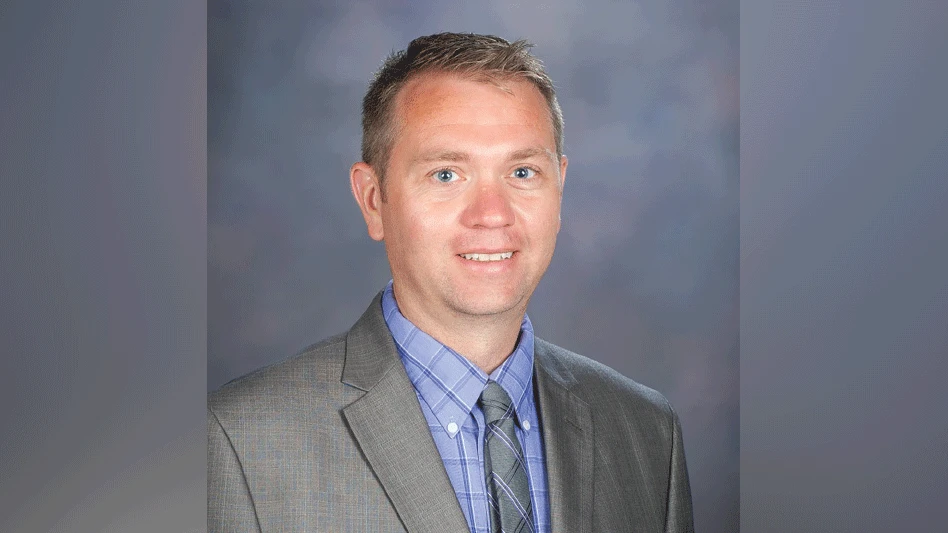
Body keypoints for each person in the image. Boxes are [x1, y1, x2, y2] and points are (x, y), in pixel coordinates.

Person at [208, 32, 694, 533]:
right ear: (373, 199)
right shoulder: (240, 441)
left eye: (522, 172)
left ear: (560, 187)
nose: (492, 214)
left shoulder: (647, 433)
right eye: (446, 174)